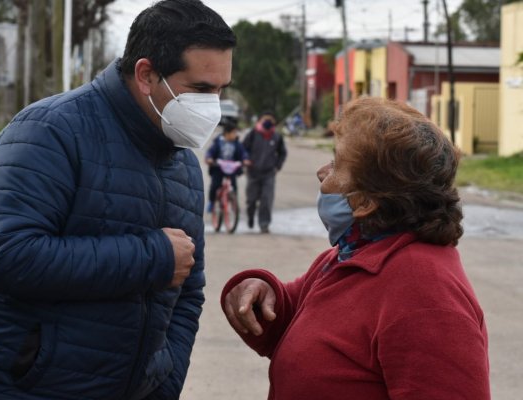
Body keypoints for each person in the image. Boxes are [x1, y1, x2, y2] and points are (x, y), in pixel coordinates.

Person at [0, 1, 235, 399]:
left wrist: (165, 379)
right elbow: (7, 256)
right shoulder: (49, 131)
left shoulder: (184, 166)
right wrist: (153, 256)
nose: (212, 106)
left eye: (219, 90)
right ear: (146, 74)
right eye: (200, 88)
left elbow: (187, 290)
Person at [221, 97, 490, 400]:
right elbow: (302, 320)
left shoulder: (425, 293)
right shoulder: (354, 255)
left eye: (337, 164)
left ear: (368, 200)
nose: (322, 173)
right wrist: (263, 292)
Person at [242, 111, 287, 233]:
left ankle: (264, 224)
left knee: (266, 200)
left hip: (269, 173)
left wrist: (277, 166)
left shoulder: (276, 136)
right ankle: (250, 216)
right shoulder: (253, 134)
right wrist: (245, 159)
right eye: (265, 120)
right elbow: (243, 148)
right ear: (260, 121)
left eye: (270, 121)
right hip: (253, 172)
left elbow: (283, 153)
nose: (267, 123)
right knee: (251, 200)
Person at [205, 121, 250, 213]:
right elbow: (210, 152)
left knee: (233, 186)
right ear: (227, 133)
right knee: (215, 185)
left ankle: (233, 202)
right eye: (233, 132)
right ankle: (212, 202)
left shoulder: (237, 143)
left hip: (231, 168)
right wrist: (209, 158)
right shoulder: (218, 142)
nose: (235, 134)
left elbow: (243, 153)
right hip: (218, 167)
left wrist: (245, 159)